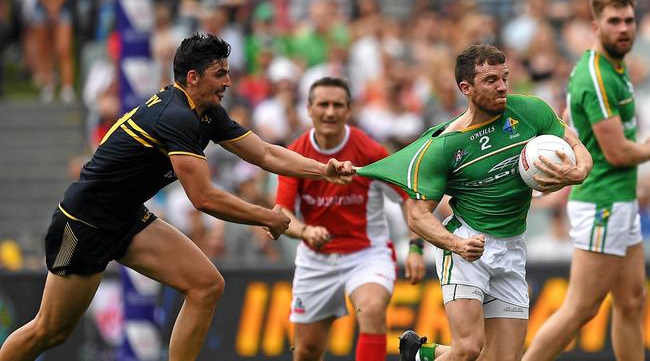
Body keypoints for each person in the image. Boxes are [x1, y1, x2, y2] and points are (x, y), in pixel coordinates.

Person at [0, 34, 355, 361]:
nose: (228, 82)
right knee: (50, 330)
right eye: (220, 74)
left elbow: (265, 153)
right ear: (193, 77)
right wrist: (267, 217)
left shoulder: (206, 113)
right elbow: (203, 198)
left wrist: (324, 169)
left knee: (206, 285)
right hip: (83, 225)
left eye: (228, 73)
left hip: (125, 218)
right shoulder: (176, 117)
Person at [357, 44, 593, 361]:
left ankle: (421, 355)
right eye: (491, 80)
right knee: (468, 348)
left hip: (511, 247)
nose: (502, 87)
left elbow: (574, 143)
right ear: (465, 88)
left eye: (505, 77)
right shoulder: (446, 145)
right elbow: (417, 216)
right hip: (468, 244)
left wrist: (580, 170)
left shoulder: (531, 111)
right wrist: (455, 244)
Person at [523, 0, 647, 360]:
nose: (623, 29)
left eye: (628, 21)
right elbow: (618, 152)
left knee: (632, 300)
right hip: (601, 202)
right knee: (580, 308)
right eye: (614, 22)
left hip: (619, 199)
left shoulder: (611, 66)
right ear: (596, 27)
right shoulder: (597, 76)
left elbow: (567, 114)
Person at [275, 76, 426, 361]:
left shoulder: (369, 151)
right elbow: (282, 213)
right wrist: (306, 231)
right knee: (306, 350)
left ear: (348, 110)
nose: (330, 112)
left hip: (367, 254)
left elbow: (409, 196)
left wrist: (416, 247)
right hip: (316, 259)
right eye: (323, 104)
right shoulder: (295, 154)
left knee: (371, 310)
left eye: (337, 105)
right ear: (309, 108)